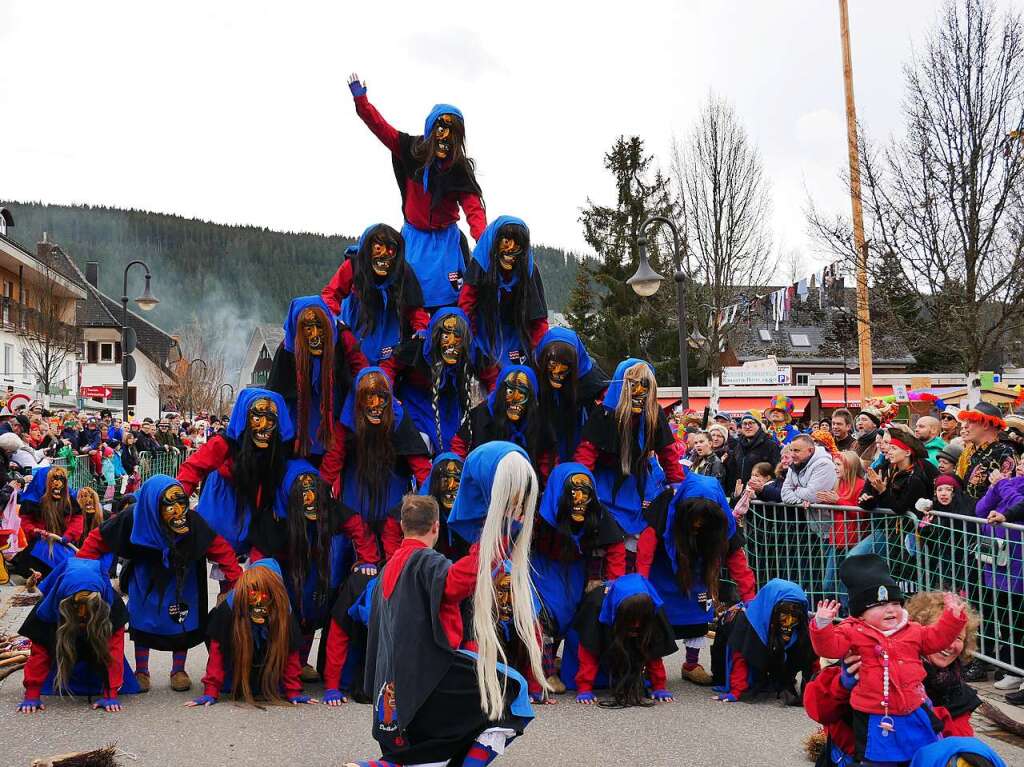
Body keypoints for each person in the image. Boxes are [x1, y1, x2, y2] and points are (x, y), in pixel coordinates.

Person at [350, 448, 539, 767]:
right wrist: (501, 534)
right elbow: (457, 582)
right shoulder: (424, 561)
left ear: (402, 524)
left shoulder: (386, 571)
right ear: (436, 527)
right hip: (428, 676)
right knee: (514, 694)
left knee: (435, 752)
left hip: (392, 692)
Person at [77, 475, 242, 693]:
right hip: (145, 581)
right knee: (143, 621)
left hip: (184, 581)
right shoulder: (131, 519)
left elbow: (219, 547)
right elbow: (97, 540)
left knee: (182, 621)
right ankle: (142, 671)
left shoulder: (192, 521)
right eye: (169, 504)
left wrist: (236, 580)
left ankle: (178, 670)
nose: (178, 509)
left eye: (181, 501)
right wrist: (80, 575)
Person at [346, 73, 485, 310]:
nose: (445, 138)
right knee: (407, 295)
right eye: (441, 129)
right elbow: (382, 129)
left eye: (452, 133)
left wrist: (486, 244)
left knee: (455, 300)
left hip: (446, 244)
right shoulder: (411, 150)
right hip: (414, 240)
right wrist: (362, 102)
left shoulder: (459, 169)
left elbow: (475, 212)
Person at [810, 555, 967, 764]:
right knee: (877, 760)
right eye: (880, 604)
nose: (891, 609)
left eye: (895, 602)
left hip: (913, 709)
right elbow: (829, 648)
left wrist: (952, 617)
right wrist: (822, 625)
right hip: (874, 715)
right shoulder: (852, 631)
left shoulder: (913, 630)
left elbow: (937, 638)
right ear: (861, 613)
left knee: (926, 756)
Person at [249, 458, 379, 682]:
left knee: (311, 611)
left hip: (314, 570)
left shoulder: (329, 508)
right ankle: (278, 665)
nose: (310, 500)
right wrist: (261, 578)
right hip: (284, 573)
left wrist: (368, 561)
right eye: (303, 494)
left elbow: (356, 525)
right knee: (286, 614)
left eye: (313, 493)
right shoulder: (275, 517)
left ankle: (300, 663)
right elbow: (258, 552)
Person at [644, 473, 757, 686]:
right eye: (694, 517)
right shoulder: (665, 506)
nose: (697, 524)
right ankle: (648, 666)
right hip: (662, 572)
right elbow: (646, 548)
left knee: (696, 616)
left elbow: (737, 560)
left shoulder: (722, 523)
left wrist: (749, 596)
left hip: (697, 575)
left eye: (704, 519)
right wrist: (641, 583)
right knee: (656, 621)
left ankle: (691, 664)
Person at [573, 359, 682, 565]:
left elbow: (668, 453)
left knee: (639, 541)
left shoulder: (654, 414)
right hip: (605, 486)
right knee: (606, 542)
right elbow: (586, 454)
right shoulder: (604, 415)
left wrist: (678, 485)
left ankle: (635, 586)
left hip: (638, 485)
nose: (640, 391)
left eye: (645, 385)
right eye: (634, 384)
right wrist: (581, 484)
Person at [530, 463, 626, 692]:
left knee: (574, 616)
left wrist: (613, 583)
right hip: (544, 569)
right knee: (545, 616)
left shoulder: (599, 515)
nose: (580, 498)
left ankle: (573, 668)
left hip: (577, 571)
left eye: (586, 492)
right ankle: (545, 669)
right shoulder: (539, 516)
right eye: (573, 492)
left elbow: (615, 547)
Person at [320, 368, 431, 560]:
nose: (375, 405)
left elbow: (422, 469)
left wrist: (410, 510)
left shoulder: (397, 419)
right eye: (369, 399)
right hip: (355, 508)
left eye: (381, 398)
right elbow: (332, 463)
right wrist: (320, 497)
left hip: (393, 510)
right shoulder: (347, 423)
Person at [17, 556, 141, 713]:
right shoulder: (47, 609)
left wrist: (111, 694)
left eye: (89, 608)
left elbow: (113, 652)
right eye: (76, 607)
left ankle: (105, 685)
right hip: (64, 655)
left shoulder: (112, 606)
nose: (82, 616)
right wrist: (32, 694)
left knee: (112, 666)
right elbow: (39, 654)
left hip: (99, 654)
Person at [178, 388, 294, 556]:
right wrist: (177, 501)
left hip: (259, 507)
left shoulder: (277, 449)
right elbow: (193, 467)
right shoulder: (225, 443)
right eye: (256, 417)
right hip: (225, 507)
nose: (263, 426)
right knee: (225, 555)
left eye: (270, 419)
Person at [187, 558, 313, 708]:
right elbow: (217, 649)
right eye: (252, 593)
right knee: (231, 687)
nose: (257, 601)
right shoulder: (230, 606)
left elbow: (291, 652)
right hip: (236, 661)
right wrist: (211, 690)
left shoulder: (285, 610)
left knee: (270, 689)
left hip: (268, 668)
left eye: (262, 595)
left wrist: (293, 691)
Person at [268, 294, 368, 463]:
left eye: (319, 327)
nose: (314, 335)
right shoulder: (286, 351)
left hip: (333, 425)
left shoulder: (342, 340)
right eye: (308, 328)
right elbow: (275, 393)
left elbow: (361, 370)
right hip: (296, 429)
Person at [458, 216, 548, 391]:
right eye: (506, 242)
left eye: (517, 245)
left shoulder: (528, 271)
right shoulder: (481, 266)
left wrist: (540, 355)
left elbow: (538, 318)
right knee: (494, 385)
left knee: (520, 383)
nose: (511, 251)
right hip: (485, 337)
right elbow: (466, 306)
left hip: (516, 337)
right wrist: (471, 343)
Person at [559, 573, 677, 706]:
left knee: (634, 678)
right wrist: (584, 688)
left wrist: (659, 686)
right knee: (588, 676)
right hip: (600, 630)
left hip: (622, 630)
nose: (636, 625)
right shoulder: (596, 606)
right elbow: (588, 650)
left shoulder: (653, 610)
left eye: (640, 620)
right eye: (632, 618)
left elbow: (654, 651)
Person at [326, 224, 429, 377]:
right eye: (378, 248)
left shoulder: (403, 272)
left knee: (385, 372)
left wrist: (421, 329)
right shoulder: (354, 265)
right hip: (357, 323)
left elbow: (415, 307)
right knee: (353, 368)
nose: (384, 254)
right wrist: (332, 320)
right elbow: (332, 294)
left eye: (390, 249)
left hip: (388, 327)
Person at [710, 579, 815, 705]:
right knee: (750, 676)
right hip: (729, 643)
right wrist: (736, 690)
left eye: (795, 615)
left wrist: (813, 692)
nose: (789, 621)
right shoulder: (746, 621)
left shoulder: (803, 627)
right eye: (784, 614)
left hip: (772, 648)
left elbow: (812, 660)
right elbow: (739, 654)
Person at [972, 454, 1024, 699]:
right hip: (996, 561)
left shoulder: (1011, 486)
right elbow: (981, 509)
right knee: (1002, 615)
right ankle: (1011, 666)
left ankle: (1017, 669)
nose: (1022, 464)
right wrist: (995, 487)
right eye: (1022, 460)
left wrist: (1001, 484)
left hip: (1018, 563)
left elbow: (1019, 504)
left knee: (1018, 619)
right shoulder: (1011, 483)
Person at [452, 364, 555, 482]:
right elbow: (459, 446)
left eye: (522, 392)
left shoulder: (539, 419)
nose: (515, 398)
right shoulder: (481, 415)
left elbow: (547, 460)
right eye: (510, 391)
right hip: (484, 485)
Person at [393, 306, 474, 455]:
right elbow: (389, 367)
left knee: (452, 445)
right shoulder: (417, 348)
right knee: (420, 443)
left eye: (458, 337)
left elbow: (491, 375)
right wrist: (390, 397)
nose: (451, 343)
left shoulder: (470, 354)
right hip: (414, 403)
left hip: (447, 405)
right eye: (446, 336)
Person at [533, 327, 607, 462]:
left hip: (577, 431)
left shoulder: (587, 374)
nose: (557, 371)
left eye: (565, 366)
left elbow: (608, 396)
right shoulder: (533, 373)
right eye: (553, 364)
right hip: (543, 431)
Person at [9, 466, 82, 578]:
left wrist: (69, 535)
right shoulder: (32, 501)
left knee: (71, 565)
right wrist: (35, 531)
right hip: (38, 543)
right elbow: (24, 522)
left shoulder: (69, 499)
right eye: (54, 480)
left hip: (64, 542)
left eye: (61, 480)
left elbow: (77, 518)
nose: (58, 484)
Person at [859, 429, 937, 516]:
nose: (889, 450)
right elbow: (865, 502)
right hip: (881, 526)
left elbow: (900, 508)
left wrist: (883, 491)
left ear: (907, 452)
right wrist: (867, 499)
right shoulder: (881, 469)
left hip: (906, 528)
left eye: (893, 448)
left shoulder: (915, 476)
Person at [958, 402, 1017, 504]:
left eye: (971, 421)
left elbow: (1007, 493)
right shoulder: (968, 451)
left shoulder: (1005, 453)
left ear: (985, 424)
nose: (964, 426)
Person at [781, 435, 838, 508]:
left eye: (796, 450)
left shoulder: (824, 464)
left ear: (810, 450)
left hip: (823, 517)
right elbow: (784, 494)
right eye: (791, 450)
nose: (792, 455)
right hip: (803, 516)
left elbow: (813, 495)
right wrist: (801, 501)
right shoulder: (794, 464)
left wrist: (796, 489)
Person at [734, 412, 782, 496]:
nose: (747, 427)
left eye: (751, 423)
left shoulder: (770, 445)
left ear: (759, 425)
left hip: (762, 498)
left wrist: (763, 490)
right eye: (744, 424)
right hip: (740, 495)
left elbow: (776, 473)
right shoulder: (738, 446)